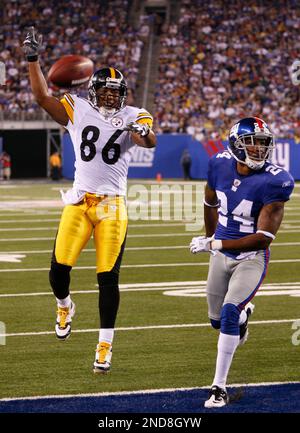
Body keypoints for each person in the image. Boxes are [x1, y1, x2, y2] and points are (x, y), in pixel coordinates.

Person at [23, 27, 156, 374]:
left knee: (108, 278)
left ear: (123, 94)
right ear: (93, 91)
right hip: (81, 201)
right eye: (106, 91)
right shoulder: (76, 108)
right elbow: (40, 96)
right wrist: (33, 60)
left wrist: (142, 132)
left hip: (113, 205)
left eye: (116, 92)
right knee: (57, 271)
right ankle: (65, 304)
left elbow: (149, 139)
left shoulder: (134, 115)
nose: (112, 98)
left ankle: (105, 345)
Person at [189, 117, 294, 408]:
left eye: (263, 144)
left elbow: (263, 238)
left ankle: (218, 387)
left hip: (251, 258)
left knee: (228, 313)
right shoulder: (218, 164)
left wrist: (215, 242)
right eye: (252, 143)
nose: (259, 150)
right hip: (221, 254)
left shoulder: (277, 180)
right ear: (236, 145)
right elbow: (210, 201)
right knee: (216, 321)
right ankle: (244, 318)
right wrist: (212, 240)